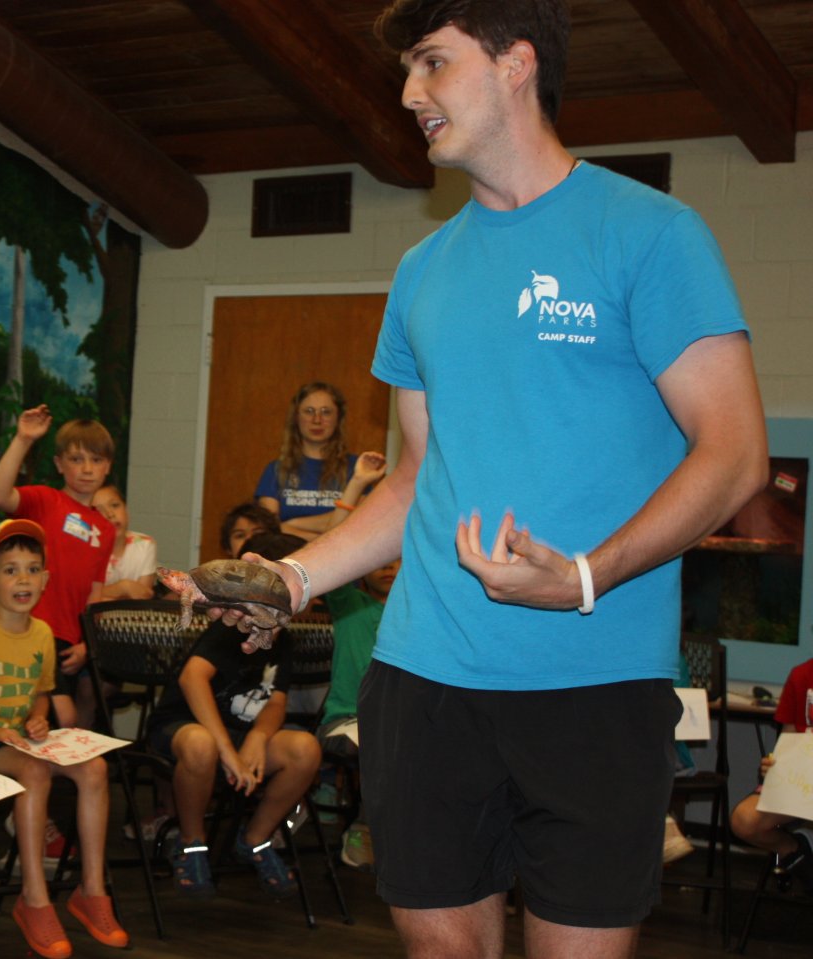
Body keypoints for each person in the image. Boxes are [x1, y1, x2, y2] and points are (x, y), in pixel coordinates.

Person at [215, 2, 767, 955]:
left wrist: (584, 575)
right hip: (426, 679)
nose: (407, 92)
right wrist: (290, 579)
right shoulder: (423, 270)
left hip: (595, 683)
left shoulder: (650, 233)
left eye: (432, 62)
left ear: (516, 64)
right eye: (407, 69)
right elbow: (414, 482)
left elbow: (733, 453)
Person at [0, 519, 128, 959]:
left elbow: (40, 694)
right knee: (34, 771)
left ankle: (91, 891)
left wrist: (37, 718)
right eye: (10, 569)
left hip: (13, 743)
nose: (23, 579)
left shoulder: (41, 636)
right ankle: (34, 898)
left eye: (33, 569)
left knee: (94, 768)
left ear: (46, 580)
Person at [151, 532, 321, 901]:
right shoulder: (231, 628)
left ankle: (255, 840)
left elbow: (276, 698)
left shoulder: (281, 635)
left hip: (241, 731)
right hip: (186, 726)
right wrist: (228, 751)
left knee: (304, 749)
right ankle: (192, 844)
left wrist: (258, 741)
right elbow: (192, 678)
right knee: (201, 745)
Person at [0, 404, 115, 730]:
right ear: (59, 464)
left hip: (70, 643)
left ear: (107, 467)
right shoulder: (46, 500)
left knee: (62, 728)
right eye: (76, 459)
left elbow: (95, 594)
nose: (86, 469)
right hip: (31, 631)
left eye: (96, 460)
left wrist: (88, 643)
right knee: (56, 719)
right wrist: (23, 439)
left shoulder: (106, 529)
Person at [313, 557, 399, 870]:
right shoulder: (349, 604)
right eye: (381, 562)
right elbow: (334, 564)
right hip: (344, 721)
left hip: (399, 723)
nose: (390, 568)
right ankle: (364, 829)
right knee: (384, 742)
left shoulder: (418, 613)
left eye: (398, 561)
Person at [254, 382, 386, 542]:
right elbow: (269, 530)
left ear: (338, 418)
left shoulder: (360, 469)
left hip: (344, 559)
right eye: (309, 411)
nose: (317, 420)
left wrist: (291, 525)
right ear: (296, 417)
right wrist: (325, 536)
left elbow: (359, 522)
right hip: (288, 558)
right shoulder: (276, 470)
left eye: (326, 412)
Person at [729, 656, 813, 893]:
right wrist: (774, 765)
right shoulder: (802, 674)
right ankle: (795, 849)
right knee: (744, 820)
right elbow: (789, 739)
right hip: (802, 783)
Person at [91, 483, 156, 600]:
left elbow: (141, 598)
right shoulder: (84, 549)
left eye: (115, 505)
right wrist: (122, 587)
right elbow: (81, 600)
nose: (110, 514)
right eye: (99, 510)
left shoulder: (144, 545)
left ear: (126, 509)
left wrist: (103, 595)